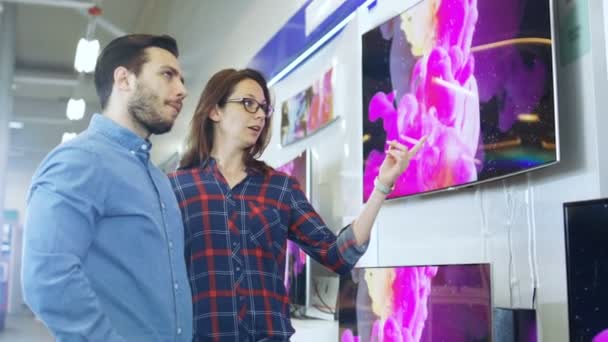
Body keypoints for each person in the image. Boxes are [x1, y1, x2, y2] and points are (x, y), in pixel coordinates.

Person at [168, 68, 425, 341]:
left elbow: (338, 255)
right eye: (248, 103)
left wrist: (381, 187)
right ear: (214, 111)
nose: (258, 115)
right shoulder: (177, 188)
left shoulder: (280, 188)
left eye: (264, 109)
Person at [22, 34, 192, 342]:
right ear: (124, 79)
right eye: (167, 75)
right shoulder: (79, 161)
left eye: (181, 79)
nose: (182, 90)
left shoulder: (156, 178)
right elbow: (47, 278)